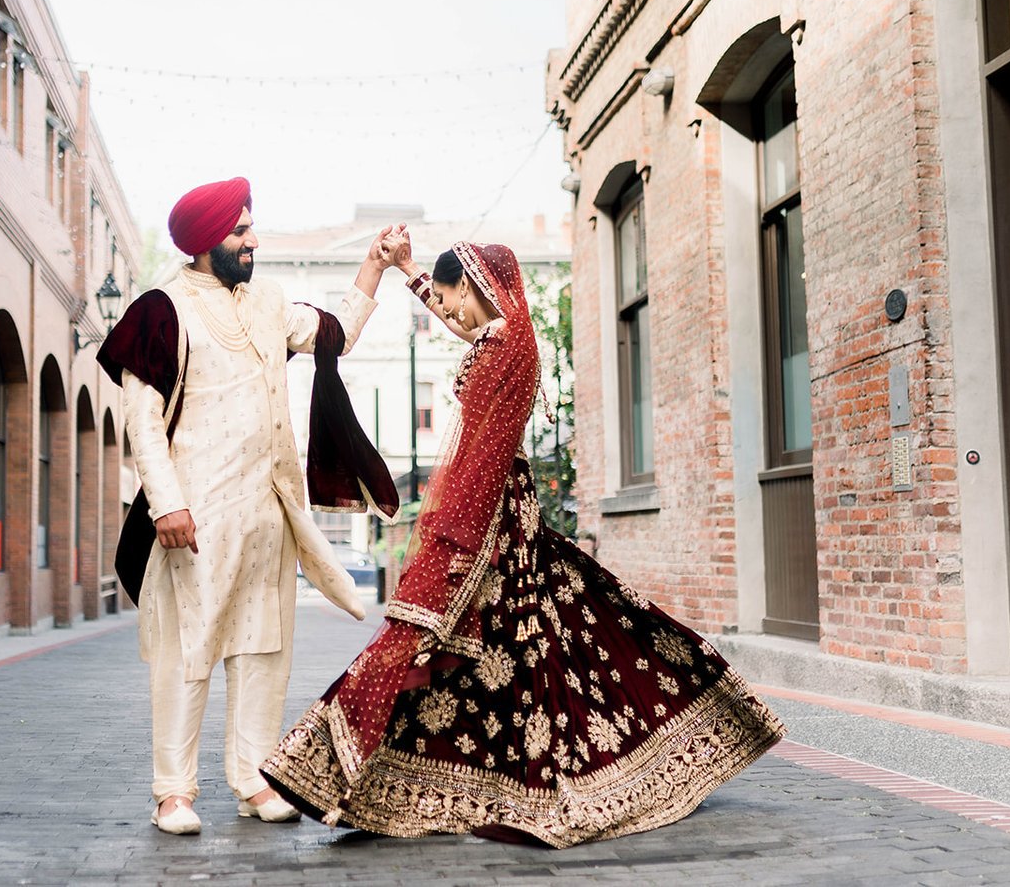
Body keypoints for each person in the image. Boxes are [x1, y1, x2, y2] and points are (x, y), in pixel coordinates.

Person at [260, 239, 786, 848]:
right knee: (556, 631)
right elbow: (463, 326)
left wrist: (449, 538)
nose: (448, 312)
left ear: (477, 288)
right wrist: (409, 273)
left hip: (486, 516)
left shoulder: (503, 347)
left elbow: (480, 449)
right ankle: (460, 772)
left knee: (436, 635)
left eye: (454, 298)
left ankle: (332, 766)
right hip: (507, 512)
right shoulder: (503, 339)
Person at [99, 177, 402, 836]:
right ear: (207, 241)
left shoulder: (267, 301)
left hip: (269, 515)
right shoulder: (161, 310)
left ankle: (253, 780)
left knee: (264, 650)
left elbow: (337, 335)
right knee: (189, 651)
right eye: (239, 231)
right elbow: (143, 422)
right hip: (196, 519)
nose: (252, 240)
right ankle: (172, 793)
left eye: (250, 227)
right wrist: (166, 503)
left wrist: (372, 267)